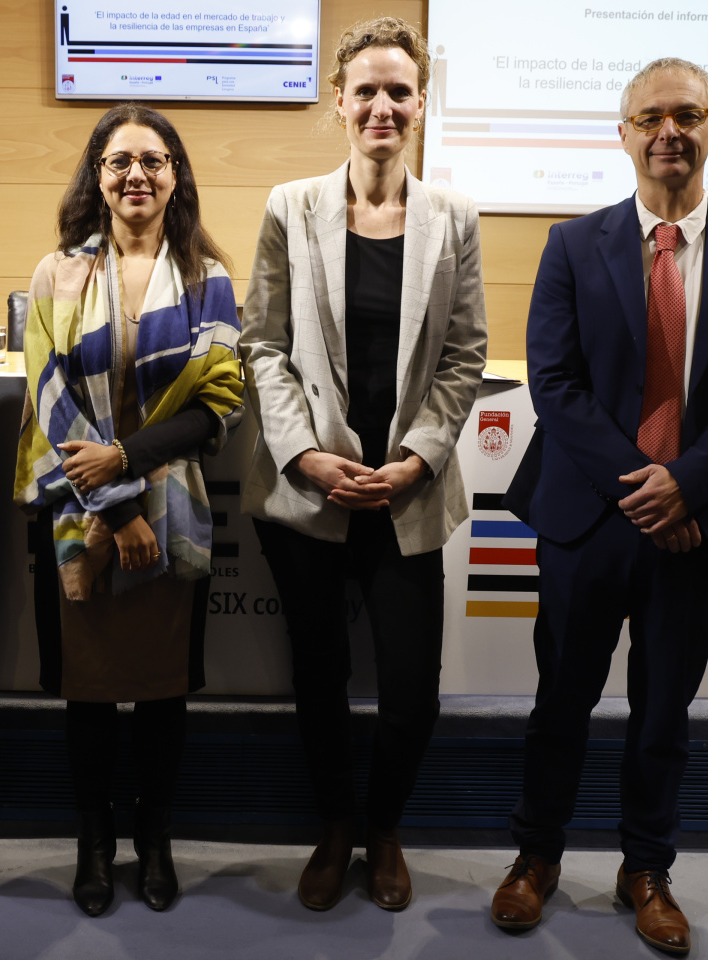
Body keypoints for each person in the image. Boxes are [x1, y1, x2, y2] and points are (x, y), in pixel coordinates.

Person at [494, 58, 708, 955]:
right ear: (623, 132)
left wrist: (688, 483)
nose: (669, 130)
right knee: (562, 703)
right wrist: (648, 487)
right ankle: (536, 858)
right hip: (591, 518)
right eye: (650, 116)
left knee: (664, 711)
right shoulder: (571, 245)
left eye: (688, 115)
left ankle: (647, 869)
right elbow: (555, 382)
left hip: (692, 529)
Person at [240, 18, 488, 913]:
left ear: (420, 106)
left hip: (406, 498)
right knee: (317, 678)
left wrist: (418, 461)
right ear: (338, 103)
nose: (382, 106)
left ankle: (384, 828)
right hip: (314, 494)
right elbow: (261, 343)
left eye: (400, 91)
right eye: (366, 91)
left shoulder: (453, 216)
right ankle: (335, 826)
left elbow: (466, 355)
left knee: (411, 689)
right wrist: (302, 452)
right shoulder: (290, 205)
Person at [14, 104, 243, 917]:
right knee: (88, 696)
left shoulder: (208, 276)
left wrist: (127, 461)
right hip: (86, 519)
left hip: (172, 509)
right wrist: (116, 503)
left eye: (153, 159)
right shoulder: (58, 273)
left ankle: (154, 840)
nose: (136, 174)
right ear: (98, 176)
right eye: (119, 162)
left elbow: (219, 401)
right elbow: (48, 396)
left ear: (175, 174)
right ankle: (93, 843)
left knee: (160, 697)